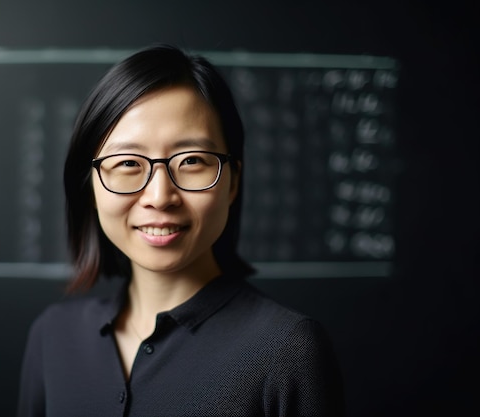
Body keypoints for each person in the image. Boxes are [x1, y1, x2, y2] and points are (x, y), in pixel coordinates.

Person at [17, 44, 344, 417]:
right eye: (127, 163)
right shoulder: (54, 336)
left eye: (191, 161)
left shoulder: (287, 350)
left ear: (233, 181)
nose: (160, 196)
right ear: (90, 186)